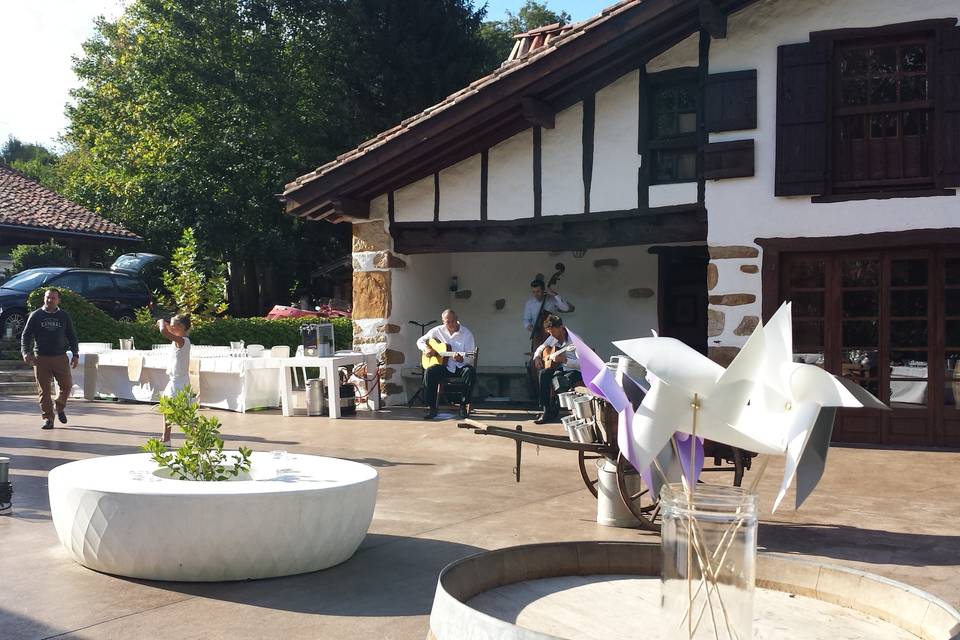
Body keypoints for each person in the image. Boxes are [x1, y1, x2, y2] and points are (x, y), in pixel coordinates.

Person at [21, 288, 80, 430]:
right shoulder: (36, 315)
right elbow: (26, 335)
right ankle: (48, 418)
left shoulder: (64, 316)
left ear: (58, 300)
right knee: (44, 390)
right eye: (48, 297)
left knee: (67, 386)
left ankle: (59, 407)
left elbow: (72, 336)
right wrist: (25, 352)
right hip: (40, 358)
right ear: (44, 299)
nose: (50, 300)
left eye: (53, 298)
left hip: (60, 357)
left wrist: (75, 354)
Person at [416, 309, 476, 420]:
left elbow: (471, 357)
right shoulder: (437, 330)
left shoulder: (467, 334)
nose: (451, 324)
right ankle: (432, 407)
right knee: (430, 372)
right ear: (443, 321)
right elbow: (420, 341)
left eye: (453, 321)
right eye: (448, 322)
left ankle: (463, 405)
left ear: (457, 319)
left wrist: (461, 359)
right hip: (444, 366)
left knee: (470, 372)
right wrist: (427, 348)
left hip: (460, 367)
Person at [531, 315, 581, 424]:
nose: (551, 335)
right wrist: (537, 357)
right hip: (561, 368)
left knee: (560, 380)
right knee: (543, 374)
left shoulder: (574, 340)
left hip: (575, 371)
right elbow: (541, 347)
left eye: (553, 331)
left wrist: (565, 360)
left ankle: (557, 409)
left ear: (561, 327)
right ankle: (546, 410)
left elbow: (582, 364)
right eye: (549, 332)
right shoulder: (553, 337)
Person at [157, 314, 192, 447]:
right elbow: (168, 330)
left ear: (181, 327)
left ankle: (191, 438)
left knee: (182, 411)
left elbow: (164, 331)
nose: (171, 327)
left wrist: (161, 321)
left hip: (179, 382)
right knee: (169, 408)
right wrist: (167, 324)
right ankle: (166, 438)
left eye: (173, 325)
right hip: (175, 381)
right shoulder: (178, 340)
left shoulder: (182, 341)